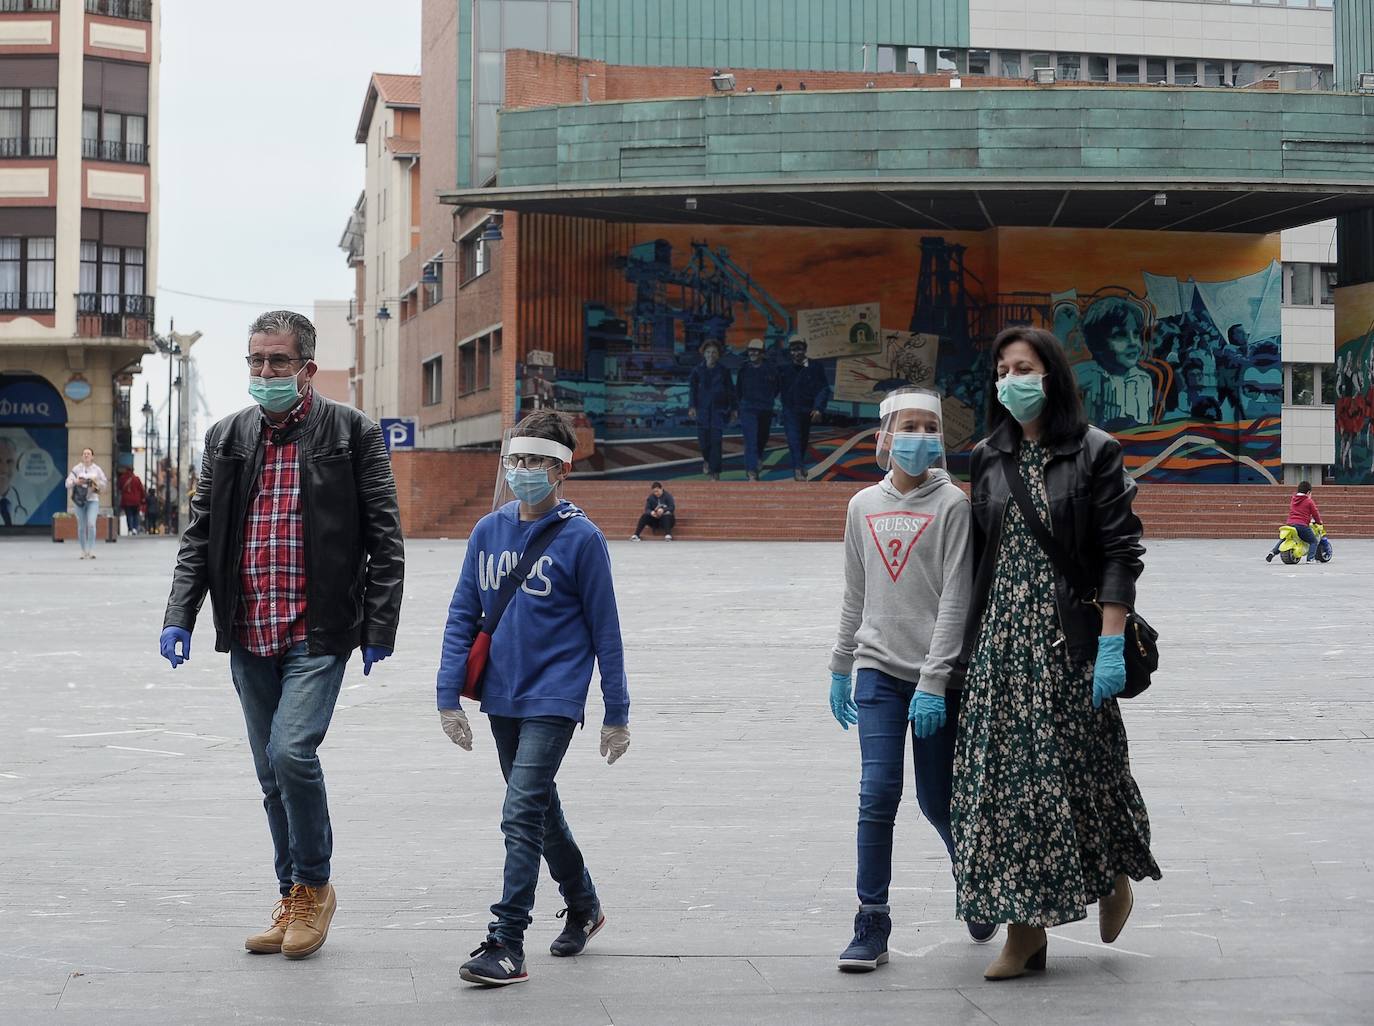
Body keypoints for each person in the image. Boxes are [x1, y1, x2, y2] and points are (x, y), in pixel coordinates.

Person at [158, 310, 405, 961]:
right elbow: (200, 534)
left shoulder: (353, 433)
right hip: (248, 629)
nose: (264, 373)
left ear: (306, 369)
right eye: (255, 361)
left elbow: (385, 536)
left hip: (317, 630)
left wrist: (379, 624)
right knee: (271, 773)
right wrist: (179, 614)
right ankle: (290, 893)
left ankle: (315, 887)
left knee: (292, 753)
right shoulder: (226, 437)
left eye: (277, 362)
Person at [953, 326, 1160, 981]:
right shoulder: (987, 457)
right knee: (1009, 790)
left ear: (1052, 376)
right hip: (1000, 645)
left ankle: (1113, 876)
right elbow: (976, 558)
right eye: (1002, 369)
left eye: (1024, 367)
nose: (1011, 379)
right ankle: (1025, 932)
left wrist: (1107, 646)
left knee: (1087, 779)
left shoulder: (1096, 451)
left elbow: (1120, 554)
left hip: (1069, 639)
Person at [436, 410, 630, 988]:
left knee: (520, 811)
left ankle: (506, 940)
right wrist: (448, 696)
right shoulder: (487, 531)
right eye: (517, 460)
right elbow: (461, 614)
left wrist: (615, 714)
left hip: (555, 697)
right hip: (501, 695)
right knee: (540, 809)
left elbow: (607, 631)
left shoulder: (583, 540)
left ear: (562, 469)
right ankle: (584, 903)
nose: (525, 471)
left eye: (538, 462)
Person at [828, 386, 997, 974]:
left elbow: (957, 595)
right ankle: (871, 920)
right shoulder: (860, 507)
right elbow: (857, 592)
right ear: (885, 436)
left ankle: (975, 879)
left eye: (931, 426)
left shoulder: (953, 504)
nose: (921, 436)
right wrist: (840, 663)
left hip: (937, 679)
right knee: (877, 795)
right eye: (910, 425)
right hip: (877, 671)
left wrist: (934, 679)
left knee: (935, 798)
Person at [1074, 297, 1154, 427]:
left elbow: (1147, 421)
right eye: (1120, 335)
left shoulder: (1143, 379)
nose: (1133, 343)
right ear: (1097, 342)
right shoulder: (1085, 377)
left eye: (1136, 334)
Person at [778, 336, 830, 481]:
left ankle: (799, 465)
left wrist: (818, 408)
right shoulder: (784, 369)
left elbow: (823, 388)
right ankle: (798, 468)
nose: (797, 353)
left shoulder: (815, 367)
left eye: (799, 349)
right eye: (793, 350)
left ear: (805, 349)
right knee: (793, 439)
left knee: (802, 440)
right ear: (790, 352)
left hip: (808, 411)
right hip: (790, 411)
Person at [687, 340, 735, 479]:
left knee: (716, 442)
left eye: (714, 352)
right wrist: (691, 407)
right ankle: (707, 460)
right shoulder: (697, 370)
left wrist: (733, 409)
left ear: (719, 355)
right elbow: (692, 390)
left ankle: (715, 472)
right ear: (704, 353)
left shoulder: (724, 371)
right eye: (708, 352)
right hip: (702, 411)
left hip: (719, 412)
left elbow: (731, 391)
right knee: (703, 443)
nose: (711, 355)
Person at [736, 338, 778, 480]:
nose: (753, 353)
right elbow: (739, 389)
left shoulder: (770, 368)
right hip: (748, 409)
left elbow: (776, 387)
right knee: (751, 440)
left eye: (756, 351)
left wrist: (769, 400)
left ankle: (758, 457)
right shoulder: (744, 369)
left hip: (765, 409)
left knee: (762, 438)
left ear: (762, 353)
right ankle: (751, 471)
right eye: (751, 350)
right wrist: (739, 407)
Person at [65, 447, 108, 559]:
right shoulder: (77, 468)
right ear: (82, 456)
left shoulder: (97, 469)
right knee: (81, 526)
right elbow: (67, 483)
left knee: (91, 524)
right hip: (79, 501)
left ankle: (91, 549)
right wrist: (76, 481)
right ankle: (83, 550)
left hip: (92, 500)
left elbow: (104, 483)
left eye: (88, 454)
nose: (86, 455)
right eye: (84, 454)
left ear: (92, 457)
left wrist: (96, 483)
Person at [1267, 480, 1324, 563]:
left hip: (1290, 524)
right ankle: (1310, 558)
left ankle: (1273, 552)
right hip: (1302, 526)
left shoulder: (1293, 499)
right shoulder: (1309, 501)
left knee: (1285, 538)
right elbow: (1315, 513)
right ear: (1308, 492)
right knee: (1313, 541)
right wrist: (1319, 522)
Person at [1217, 325, 1249, 421]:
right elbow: (1240, 360)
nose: (1245, 334)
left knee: (1236, 404)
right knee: (1233, 404)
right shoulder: (1229, 348)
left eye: (1244, 332)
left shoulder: (1240, 349)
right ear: (1233, 336)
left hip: (1233, 383)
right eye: (1240, 332)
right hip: (1227, 383)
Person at [116, 465, 145, 535]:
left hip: (127, 501)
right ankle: (135, 528)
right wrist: (143, 498)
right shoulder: (136, 479)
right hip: (136, 500)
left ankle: (130, 529)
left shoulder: (123, 478)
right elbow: (141, 489)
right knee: (136, 515)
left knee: (129, 515)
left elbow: (119, 487)